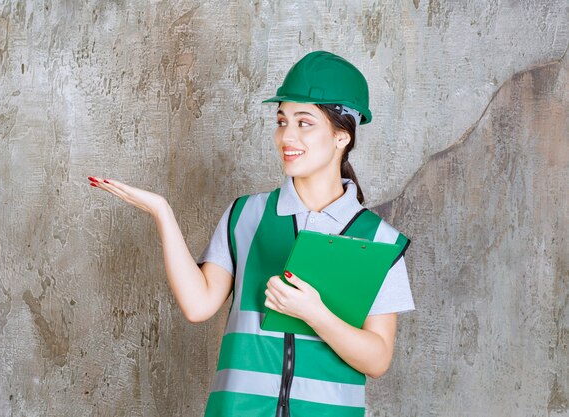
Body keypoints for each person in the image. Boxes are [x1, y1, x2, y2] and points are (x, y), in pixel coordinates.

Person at [88, 51, 414, 417]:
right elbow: (198, 306)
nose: (286, 136)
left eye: (304, 123)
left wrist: (314, 313)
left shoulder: (380, 240)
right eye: (281, 120)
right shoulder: (246, 215)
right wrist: (162, 212)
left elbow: (377, 358)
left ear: (342, 136)